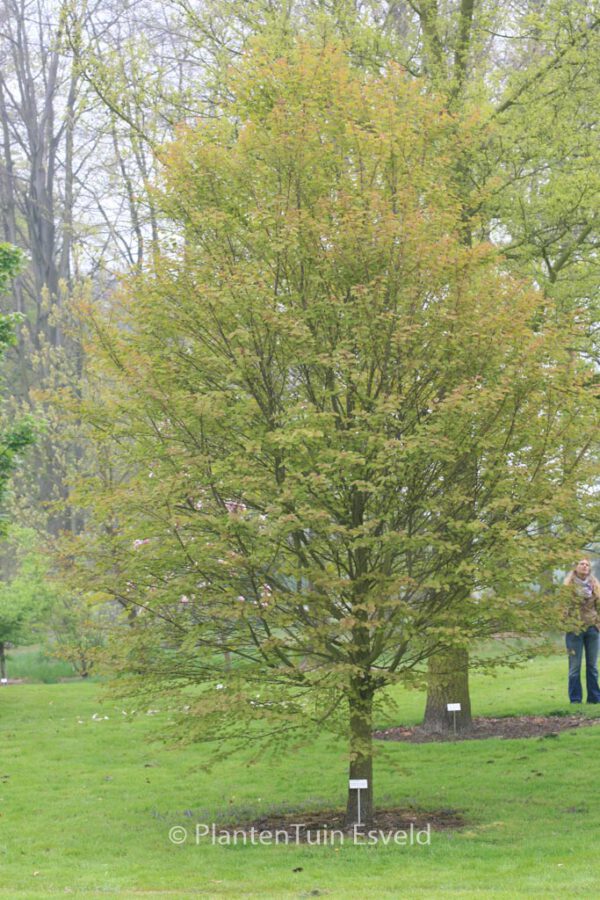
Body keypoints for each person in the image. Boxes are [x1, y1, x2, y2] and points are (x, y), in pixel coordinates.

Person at [563, 558, 600, 704]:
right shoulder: (568, 588)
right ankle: (575, 700)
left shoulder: (595, 587)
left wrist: (598, 624)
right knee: (574, 667)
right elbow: (562, 609)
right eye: (581, 564)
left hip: (592, 630)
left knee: (592, 666)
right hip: (574, 630)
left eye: (587, 564)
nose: (584, 566)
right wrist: (567, 623)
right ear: (575, 568)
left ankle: (594, 698)